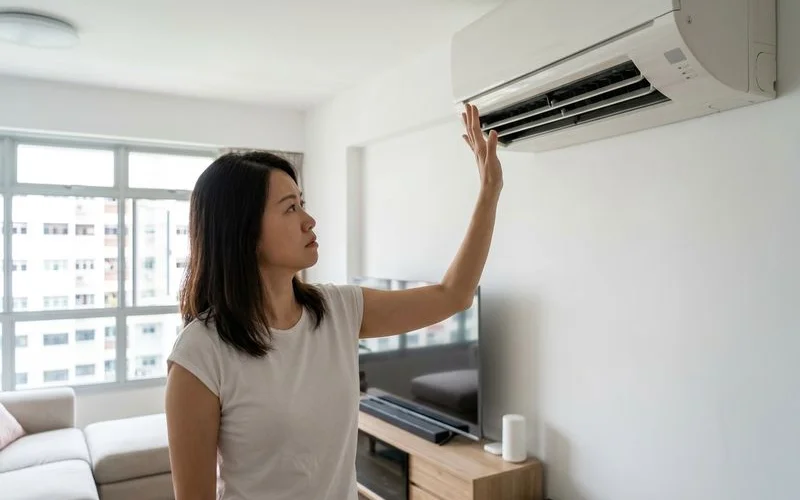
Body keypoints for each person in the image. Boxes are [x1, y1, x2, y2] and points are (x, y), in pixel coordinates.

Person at [164, 103, 502, 500]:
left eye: (302, 203)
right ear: (244, 233)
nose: (309, 220)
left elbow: (454, 295)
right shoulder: (200, 354)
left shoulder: (339, 309)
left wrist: (489, 193)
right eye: (290, 208)